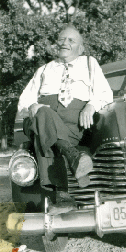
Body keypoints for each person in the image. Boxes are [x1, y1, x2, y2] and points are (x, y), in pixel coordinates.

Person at [16, 24, 113, 214]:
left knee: (44, 134)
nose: (65, 43)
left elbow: (106, 94)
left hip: (73, 128)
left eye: (71, 40)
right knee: (43, 115)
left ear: (81, 48)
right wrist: (32, 106)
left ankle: (62, 196)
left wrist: (91, 105)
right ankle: (73, 156)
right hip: (39, 120)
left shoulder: (89, 63)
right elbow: (23, 102)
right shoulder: (43, 70)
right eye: (61, 39)